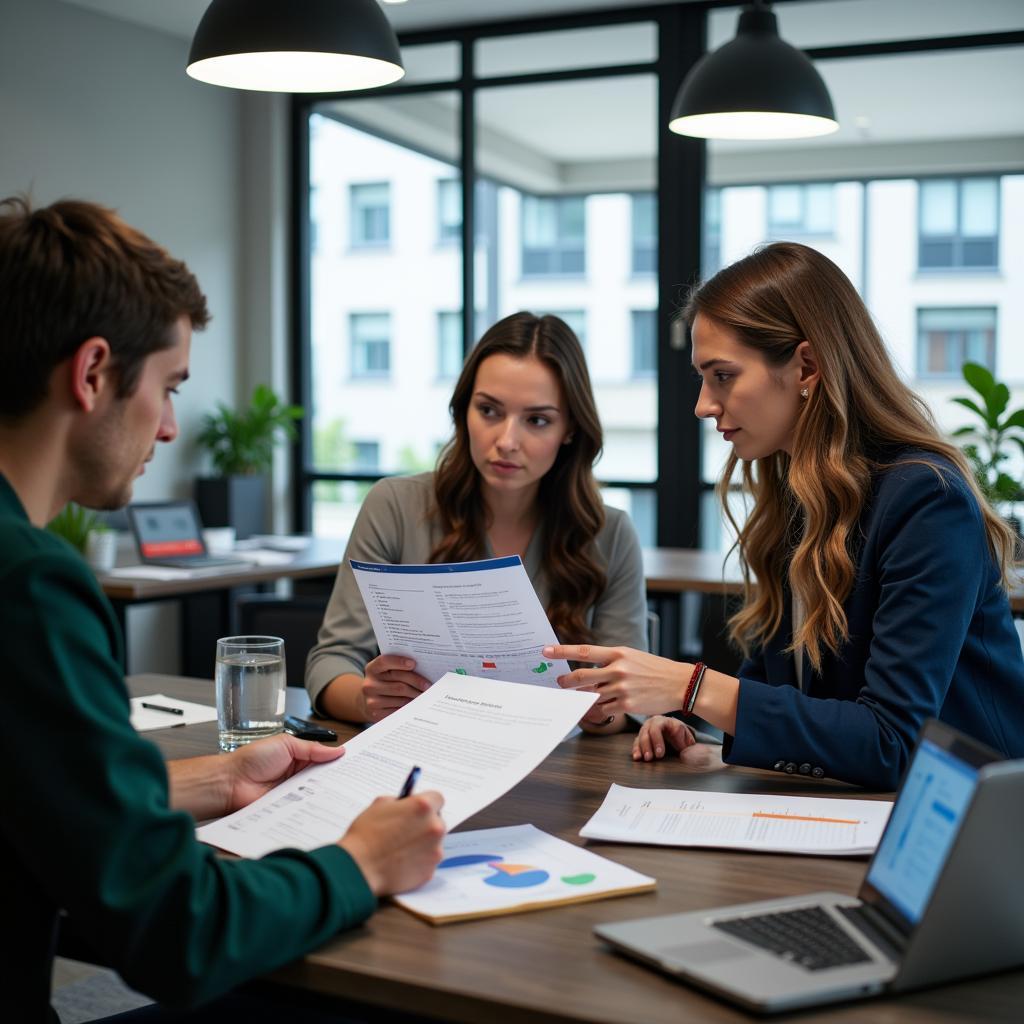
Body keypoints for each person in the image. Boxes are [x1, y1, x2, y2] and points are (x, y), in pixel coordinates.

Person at [0, 196, 446, 1022]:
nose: (170, 428)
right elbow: (183, 932)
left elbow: (33, 790)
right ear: (92, 372)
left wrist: (217, 777)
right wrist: (362, 862)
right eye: (168, 387)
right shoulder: (30, 585)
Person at [546, 242, 1024, 789]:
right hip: (857, 806)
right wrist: (698, 725)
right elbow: (788, 697)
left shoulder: (927, 499)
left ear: (807, 366)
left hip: (962, 826)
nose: (703, 404)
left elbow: (891, 740)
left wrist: (694, 689)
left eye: (722, 375)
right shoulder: (796, 495)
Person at [306, 312, 648, 735]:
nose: (506, 441)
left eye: (537, 420)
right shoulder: (394, 505)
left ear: (571, 430)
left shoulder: (611, 534)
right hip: (423, 750)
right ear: (463, 410)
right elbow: (331, 660)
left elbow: (627, 700)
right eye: (488, 410)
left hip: (553, 768)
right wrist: (366, 698)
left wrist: (603, 713)